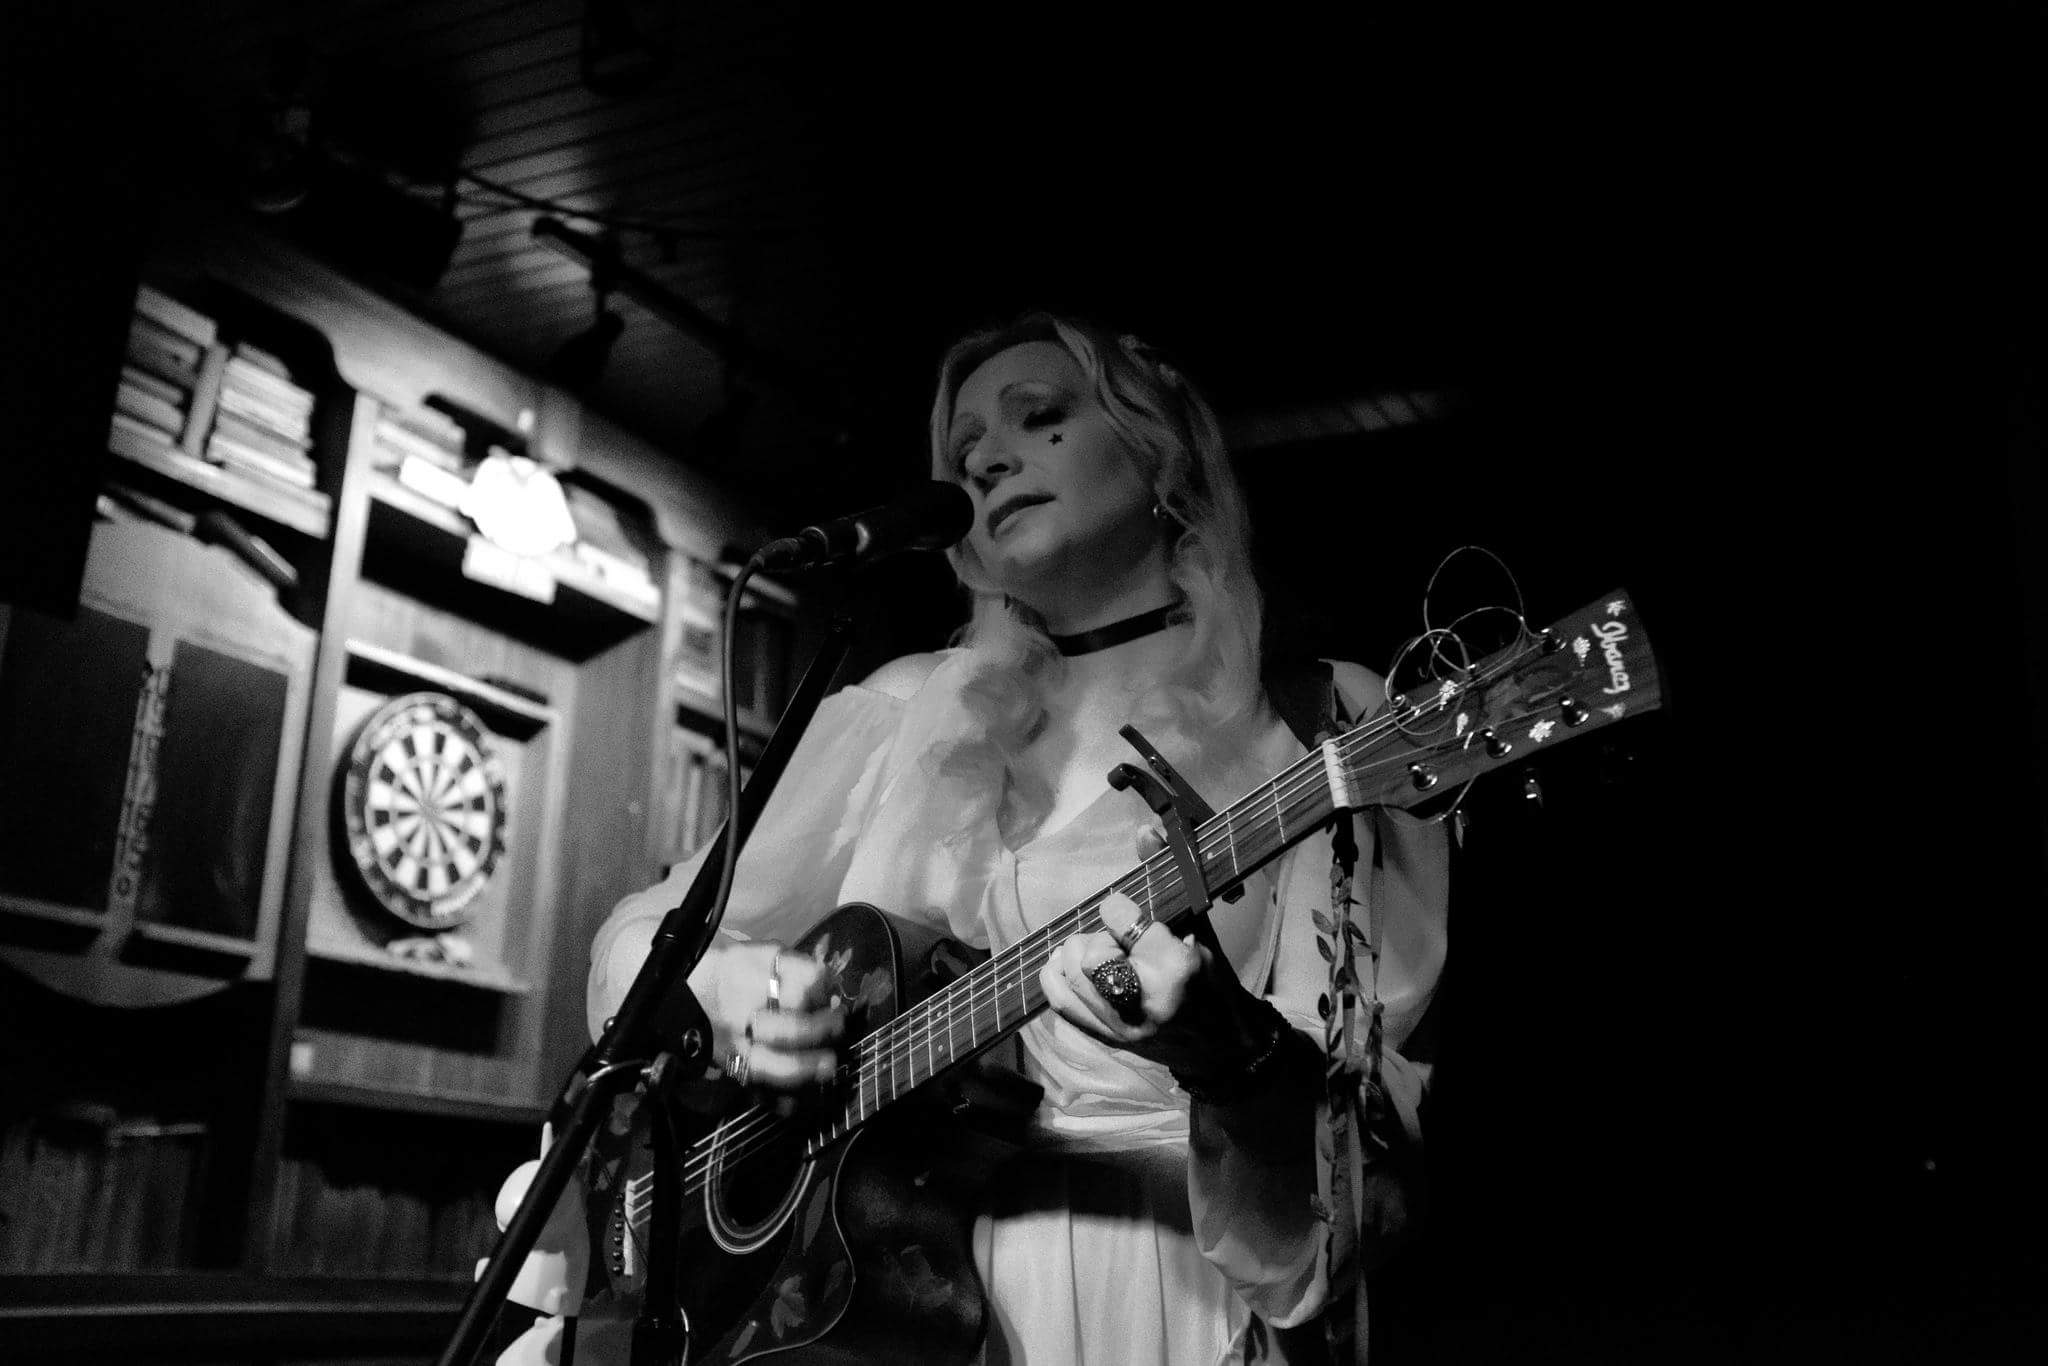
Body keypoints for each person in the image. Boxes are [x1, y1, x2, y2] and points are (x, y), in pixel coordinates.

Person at [586, 312, 1449, 1364]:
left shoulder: (1320, 723)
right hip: (862, 1300)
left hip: (1154, 1288)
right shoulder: (906, 708)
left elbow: (1368, 1147)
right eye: (964, 452)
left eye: (1038, 418)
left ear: (1161, 452)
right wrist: (737, 994)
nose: (988, 460)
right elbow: (642, 939)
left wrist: (1229, 1057)